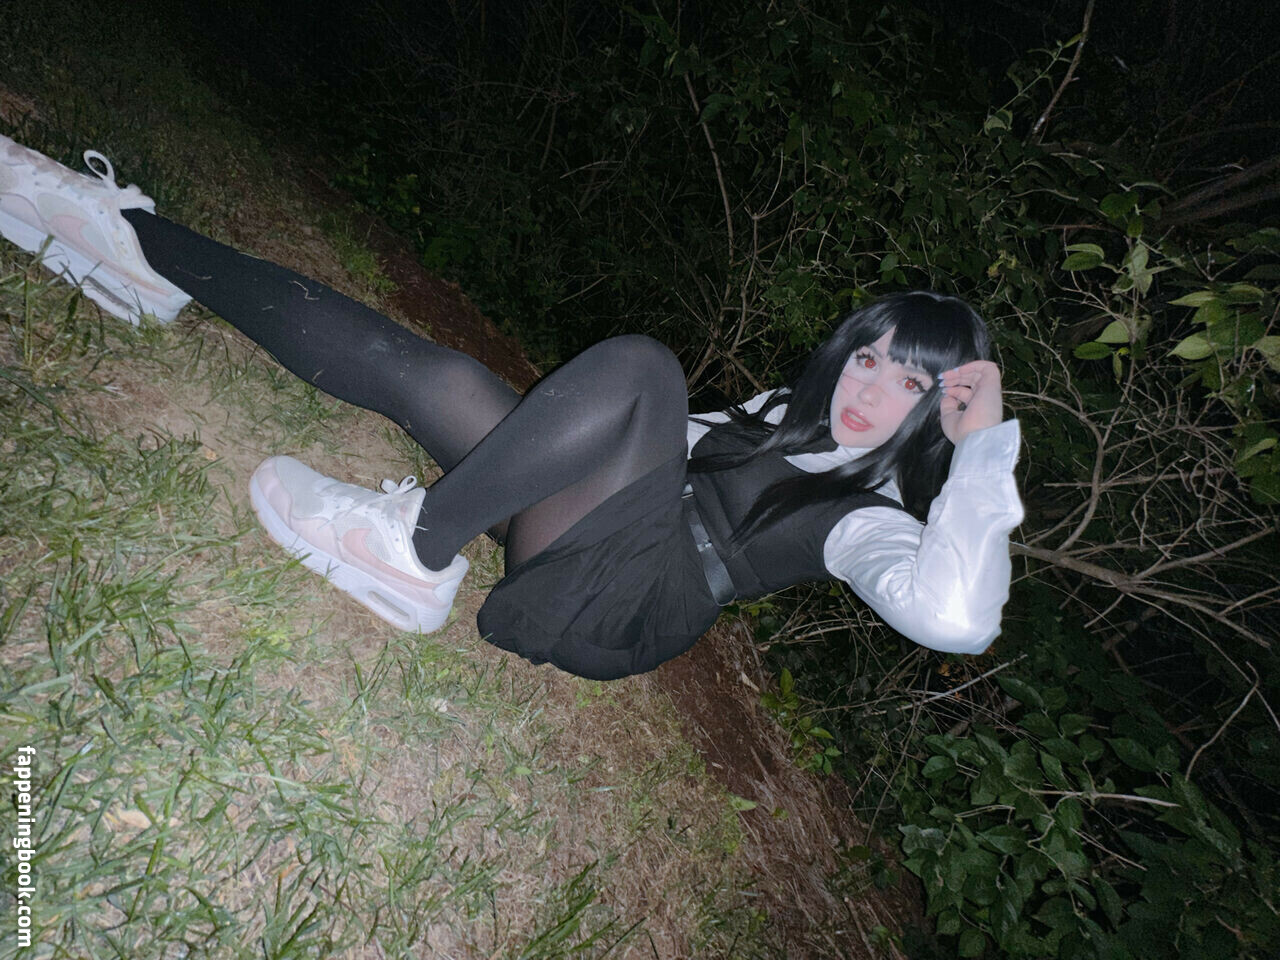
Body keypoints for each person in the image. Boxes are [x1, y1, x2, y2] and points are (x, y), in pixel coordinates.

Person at [0, 136, 1025, 681]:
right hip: (579, 529)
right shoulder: (781, 412)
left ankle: (414, 551)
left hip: (611, 612)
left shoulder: (872, 522)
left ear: (934, 416)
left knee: (643, 370)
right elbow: (646, 455)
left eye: (910, 385)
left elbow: (957, 620)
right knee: (436, 379)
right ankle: (138, 246)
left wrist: (981, 453)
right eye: (869, 359)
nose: (869, 392)